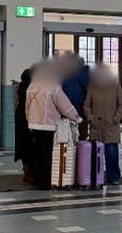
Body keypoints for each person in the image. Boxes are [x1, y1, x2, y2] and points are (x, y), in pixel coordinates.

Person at [26, 62, 81, 190]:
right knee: (47, 155)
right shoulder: (54, 87)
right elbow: (65, 107)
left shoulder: (32, 86)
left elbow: (27, 107)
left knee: (37, 154)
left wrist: (29, 119)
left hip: (34, 125)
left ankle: (36, 180)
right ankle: (44, 183)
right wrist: (76, 118)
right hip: (49, 126)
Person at [84, 65, 122, 184]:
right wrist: (91, 118)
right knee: (96, 156)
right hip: (97, 127)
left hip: (111, 126)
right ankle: (97, 177)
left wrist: (116, 119)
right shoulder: (93, 87)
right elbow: (87, 105)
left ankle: (114, 177)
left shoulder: (115, 86)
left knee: (111, 154)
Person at [60, 53, 91, 139]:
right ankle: (82, 149)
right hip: (82, 106)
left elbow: (60, 90)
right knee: (82, 132)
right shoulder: (87, 74)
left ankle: (70, 150)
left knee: (68, 133)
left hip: (67, 107)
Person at [13, 67, 34, 182]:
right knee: (30, 146)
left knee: (22, 146)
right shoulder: (30, 88)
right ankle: (30, 172)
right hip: (28, 119)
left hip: (19, 117)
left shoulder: (20, 87)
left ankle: (26, 171)